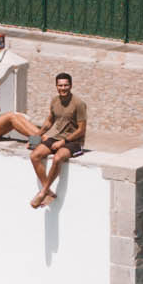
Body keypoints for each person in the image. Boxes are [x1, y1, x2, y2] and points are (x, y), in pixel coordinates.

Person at [28, 71, 87, 208]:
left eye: (66, 85)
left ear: (71, 86)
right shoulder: (55, 100)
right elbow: (49, 121)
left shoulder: (79, 104)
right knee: (35, 155)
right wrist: (35, 137)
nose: (63, 88)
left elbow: (81, 129)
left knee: (57, 158)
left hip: (73, 142)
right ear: (56, 86)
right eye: (60, 85)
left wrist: (64, 142)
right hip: (55, 137)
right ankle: (48, 191)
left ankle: (42, 192)